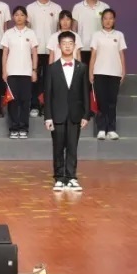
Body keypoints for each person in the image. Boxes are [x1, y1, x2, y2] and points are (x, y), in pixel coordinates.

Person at [43, 31, 92, 192]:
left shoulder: (82, 67)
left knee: (72, 147)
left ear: (75, 46)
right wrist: (48, 116)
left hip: (75, 114)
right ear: (59, 46)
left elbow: (85, 92)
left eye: (70, 43)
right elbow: (48, 94)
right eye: (64, 43)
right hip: (57, 114)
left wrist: (86, 114)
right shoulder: (52, 68)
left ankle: (71, 177)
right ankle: (59, 178)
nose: (67, 46)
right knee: (58, 147)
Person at [89, 9, 127, 140]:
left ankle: (111, 129)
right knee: (101, 101)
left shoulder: (119, 35)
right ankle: (101, 129)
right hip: (99, 72)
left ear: (114, 20)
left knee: (112, 102)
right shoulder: (96, 35)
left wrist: (123, 71)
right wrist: (91, 72)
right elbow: (93, 55)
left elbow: (121, 54)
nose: (108, 21)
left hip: (115, 73)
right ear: (102, 20)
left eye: (110, 18)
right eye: (105, 18)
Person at [2, 6, 38, 139]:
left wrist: (34, 70)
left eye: (22, 15)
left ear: (26, 17)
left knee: (25, 101)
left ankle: (23, 128)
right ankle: (13, 128)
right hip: (11, 72)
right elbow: (5, 53)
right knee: (12, 101)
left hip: (26, 72)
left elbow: (34, 53)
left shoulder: (31, 33)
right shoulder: (8, 33)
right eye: (16, 15)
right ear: (13, 17)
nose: (19, 17)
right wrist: (4, 71)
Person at [27, 0, 62, 117]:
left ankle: (47, 105)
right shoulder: (30, 8)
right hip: (34, 50)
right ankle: (34, 105)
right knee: (34, 79)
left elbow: (60, 30)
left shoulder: (57, 8)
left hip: (51, 51)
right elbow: (27, 29)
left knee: (50, 79)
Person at [72, 0, 110, 67]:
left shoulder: (105, 7)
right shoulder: (77, 7)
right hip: (83, 48)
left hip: (100, 48)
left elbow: (109, 27)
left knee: (99, 73)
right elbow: (74, 28)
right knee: (83, 74)